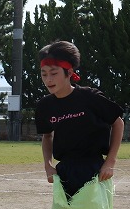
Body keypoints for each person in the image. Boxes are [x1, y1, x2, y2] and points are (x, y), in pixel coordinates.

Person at [35, 40, 124, 196]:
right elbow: (47, 135)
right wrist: (48, 165)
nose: (48, 79)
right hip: (64, 171)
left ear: (69, 73)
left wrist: (110, 162)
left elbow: (118, 123)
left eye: (54, 73)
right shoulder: (45, 105)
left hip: (94, 169)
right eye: (44, 74)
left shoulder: (89, 97)